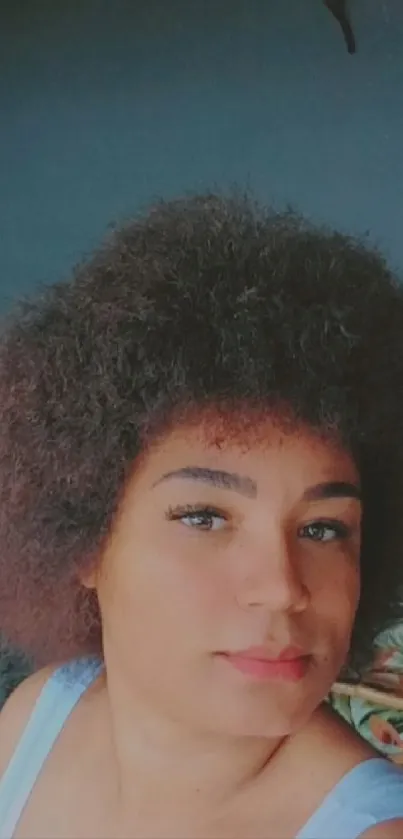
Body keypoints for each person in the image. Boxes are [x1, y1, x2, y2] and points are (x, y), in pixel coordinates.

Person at [0, 193, 403, 839]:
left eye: (322, 528)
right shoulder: (38, 717)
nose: (281, 585)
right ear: (84, 541)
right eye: (204, 517)